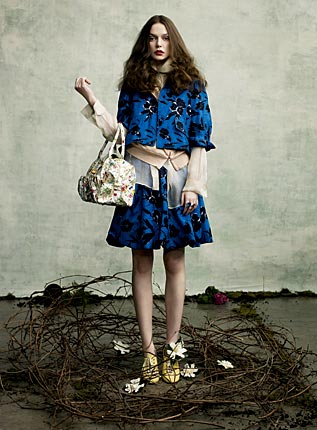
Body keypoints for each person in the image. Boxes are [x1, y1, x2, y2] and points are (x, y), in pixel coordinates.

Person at [75, 15, 215, 384]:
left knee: (175, 260)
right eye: (152, 38)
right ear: (145, 43)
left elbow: (200, 140)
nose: (158, 44)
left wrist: (193, 186)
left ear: (174, 42)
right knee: (141, 262)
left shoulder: (193, 86)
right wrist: (92, 99)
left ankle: (172, 347)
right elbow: (118, 136)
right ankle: (149, 352)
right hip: (139, 180)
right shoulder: (134, 85)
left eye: (165, 38)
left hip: (179, 180)